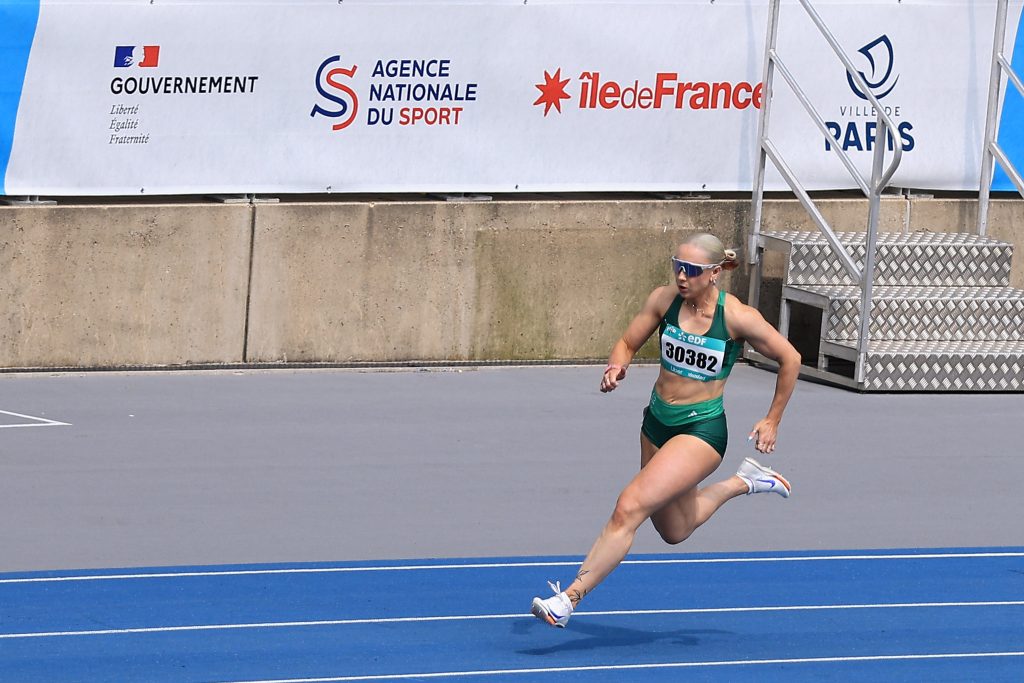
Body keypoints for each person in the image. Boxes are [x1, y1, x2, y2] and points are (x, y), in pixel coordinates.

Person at [530, 232, 801, 628]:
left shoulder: (737, 317)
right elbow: (626, 341)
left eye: (691, 270)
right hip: (656, 424)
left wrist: (772, 419)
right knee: (675, 529)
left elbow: (790, 358)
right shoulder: (663, 301)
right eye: (677, 266)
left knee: (629, 506)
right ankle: (744, 482)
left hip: (701, 431)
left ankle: (568, 598)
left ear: (713, 274)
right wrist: (615, 365)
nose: (681, 276)